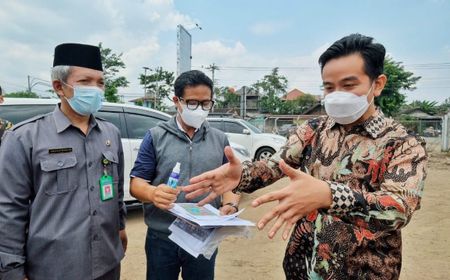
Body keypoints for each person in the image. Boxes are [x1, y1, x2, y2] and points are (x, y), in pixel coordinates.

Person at [183, 34, 427, 279]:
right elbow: (274, 165)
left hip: (364, 272)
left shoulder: (403, 143)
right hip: (303, 267)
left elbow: (399, 208)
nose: (336, 94)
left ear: (378, 84)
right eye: (329, 87)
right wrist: (241, 175)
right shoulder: (313, 130)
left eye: (349, 85)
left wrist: (330, 196)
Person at [0, 43, 127, 280]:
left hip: (107, 264)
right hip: (53, 268)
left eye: (100, 82)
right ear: (59, 86)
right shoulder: (24, 137)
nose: (96, 89)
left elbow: (116, 192)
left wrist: (120, 229)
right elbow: (9, 210)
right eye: (86, 82)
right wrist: (11, 269)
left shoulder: (111, 134)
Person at [130, 70, 240, 280]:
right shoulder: (155, 136)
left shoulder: (219, 139)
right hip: (162, 237)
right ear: (176, 101)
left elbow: (230, 185)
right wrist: (153, 193)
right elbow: (137, 183)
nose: (199, 109)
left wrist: (230, 205)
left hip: (203, 235)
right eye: (192, 103)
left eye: (206, 103)